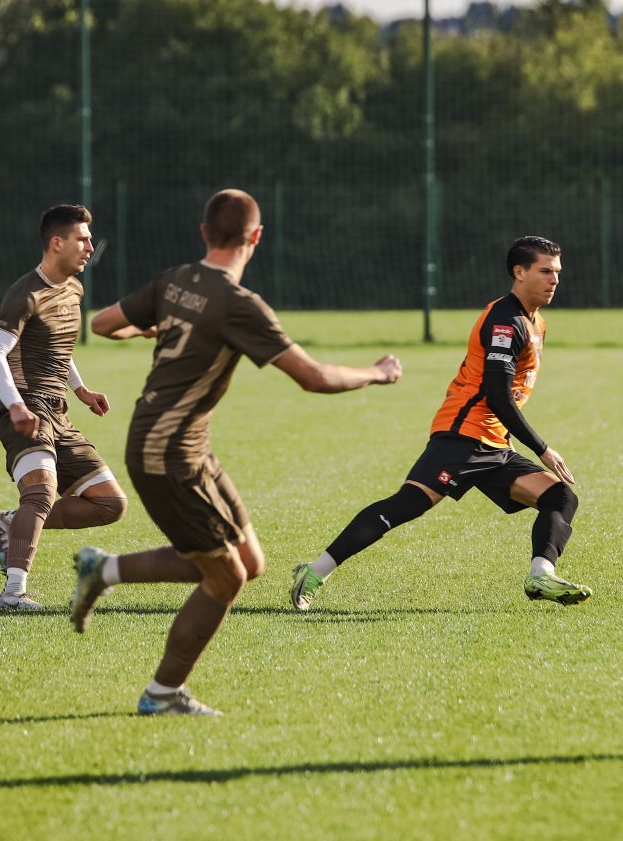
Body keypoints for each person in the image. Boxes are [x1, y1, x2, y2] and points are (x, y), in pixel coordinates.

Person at [70, 188, 402, 716]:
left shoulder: (176, 279)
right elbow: (314, 377)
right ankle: (162, 694)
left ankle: (103, 570)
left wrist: (163, 326)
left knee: (248, 562)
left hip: (187, 446)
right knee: (225, 577)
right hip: (167, 454)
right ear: (257, 237)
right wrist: (377, 373)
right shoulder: (238, 303)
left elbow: (104, 324)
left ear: (204, 232)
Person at [289, 235, 590, 611]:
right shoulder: (505, 321)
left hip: (493, 442)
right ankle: (315, 571)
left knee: (560, 496)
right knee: (408, 504)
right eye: (545, 271)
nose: (554, 279)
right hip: (462, 436)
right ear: (519, 272)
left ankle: (541, 575)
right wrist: (542, 449)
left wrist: (507, 438)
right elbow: (496, 395)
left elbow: (504, 398)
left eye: (557, 272)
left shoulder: (536, 323)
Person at [0, 205, 129, 611]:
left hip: (57, 410)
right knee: (41, 491)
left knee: (110, 504)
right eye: (82, 239)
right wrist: (15, 405)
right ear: (57, 243)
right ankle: (13, 593)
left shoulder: (73, 289)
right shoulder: (25, 293)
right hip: (25, 407)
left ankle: (10, 523)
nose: (90, 247)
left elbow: (56, 347)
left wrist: (80, 389)